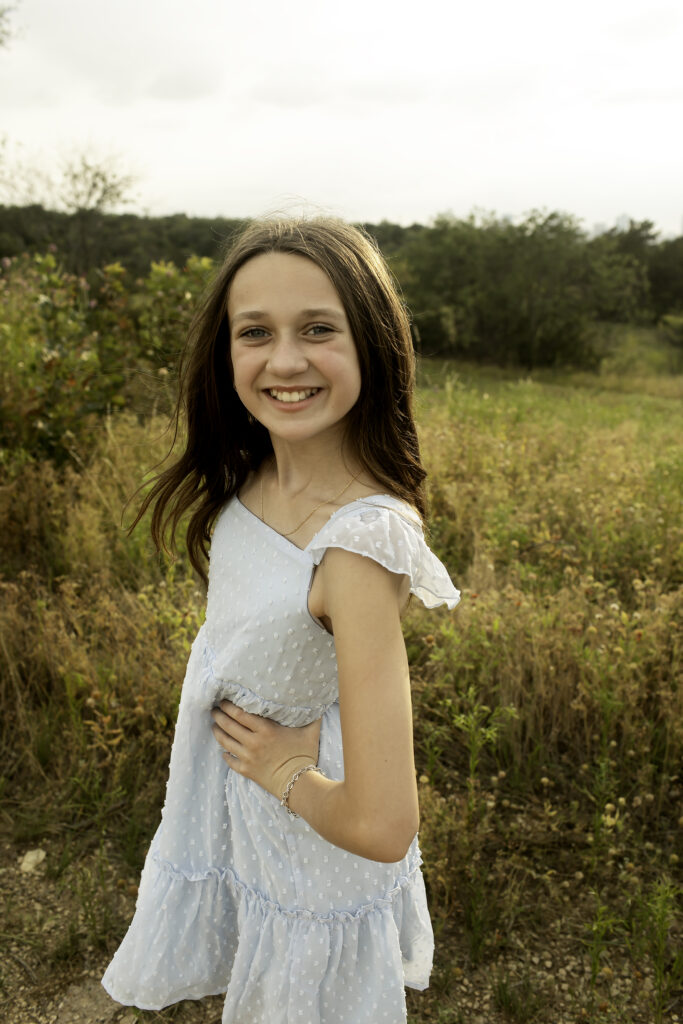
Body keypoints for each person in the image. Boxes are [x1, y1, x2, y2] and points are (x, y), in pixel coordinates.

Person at [102, 216, 460, 1024]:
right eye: (255, 332)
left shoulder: (359, 544)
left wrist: (284, 774)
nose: (285, 359)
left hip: (310, 846)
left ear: (372, 343)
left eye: (318, 330)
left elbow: (381, 824)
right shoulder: (257, 472)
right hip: (240, 814)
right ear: (224, 351)